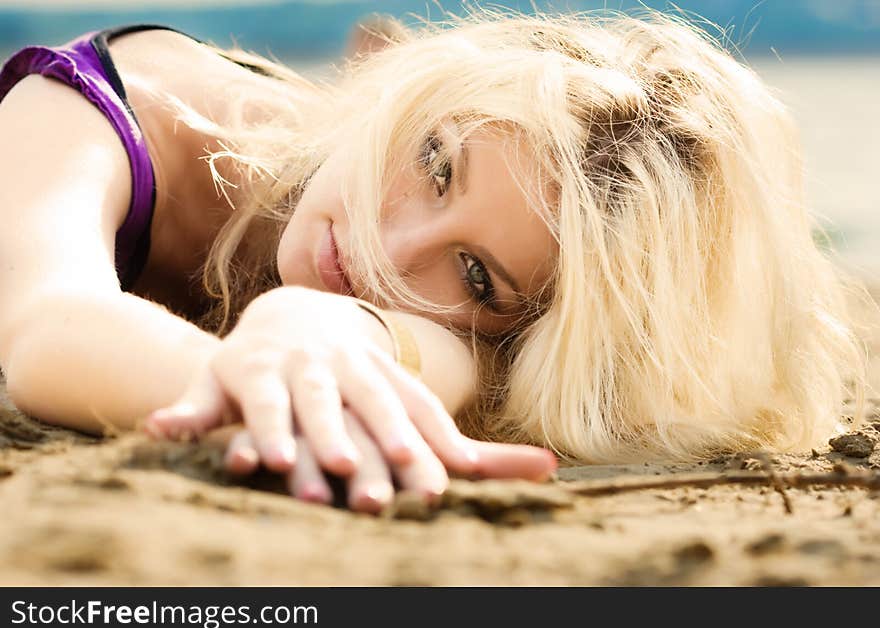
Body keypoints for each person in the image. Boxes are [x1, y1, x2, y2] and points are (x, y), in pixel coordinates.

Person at [0, 10, 869, 513]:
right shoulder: (99, 109)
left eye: (476, 274)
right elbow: (45, 328)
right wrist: (269, 362)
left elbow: (450, 361)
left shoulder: (477, 328)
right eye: (438, 164)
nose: (392, 247)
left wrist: (324, 324)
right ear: (416, 93)